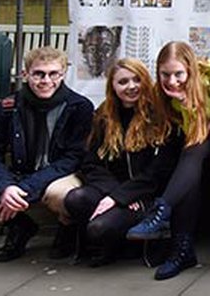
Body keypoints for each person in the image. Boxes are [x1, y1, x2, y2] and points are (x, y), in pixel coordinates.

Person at [0, 46, 94, 262]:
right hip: (18, 176)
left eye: (53, 74)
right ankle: (19, 226)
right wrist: (4, 188)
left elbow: (73, 159)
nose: (46, 80)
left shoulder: (79, 107)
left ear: (63, 74)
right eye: (39, 74)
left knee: (61, 195)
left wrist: (25, 189)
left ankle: (67, 229)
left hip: (59, 176)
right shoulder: (7, 108)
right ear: (25, 74)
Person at [125, 41, 210, 280]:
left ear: (190, 68)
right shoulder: (166, 95)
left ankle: (161, 213)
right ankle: (181, 248)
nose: (172, 81)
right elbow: (194, 132)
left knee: (192, 154)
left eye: (178, 74)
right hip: (201, 143)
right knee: (191, 160)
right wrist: (184, 102)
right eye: (165, 74)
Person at [64, 58, 181, 265]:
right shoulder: (103, 115)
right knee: (76, 199)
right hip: (113, 191)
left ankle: (116, 242)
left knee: (98, 229)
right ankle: (113, 241)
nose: (131, 87)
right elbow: (90, 163)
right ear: (113, 87)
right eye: (123, 82)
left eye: (137, 80)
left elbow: (159, 172)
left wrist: (124, 196)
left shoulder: (161, 117)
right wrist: (115, 194)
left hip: (146, 197)